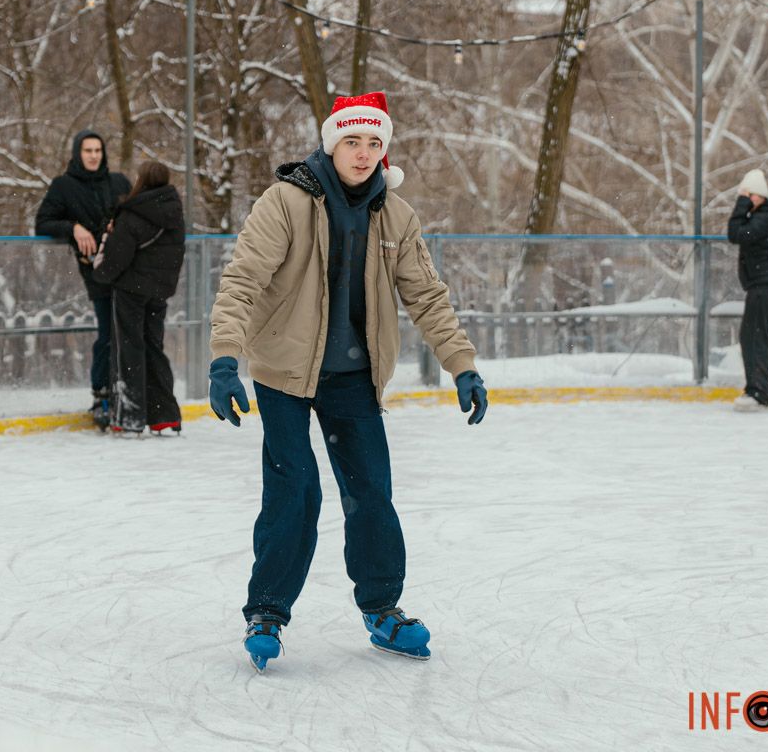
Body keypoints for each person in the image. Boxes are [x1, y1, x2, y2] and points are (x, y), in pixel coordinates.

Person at [207, 91, 489, 671]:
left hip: (354, 376)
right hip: (285, 370)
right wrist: (224, 359)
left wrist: (462, 364)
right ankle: (267, 611)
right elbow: (243, 280)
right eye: (353, 142)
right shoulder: (285, 202)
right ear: (332, 145)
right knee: (295, 491)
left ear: (385, 152)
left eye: (374, 144)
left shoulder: (396, 215)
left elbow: (426, 296)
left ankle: (383, 608)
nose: (363, 154)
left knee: (371, 494)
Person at [34, 131, 131, 421]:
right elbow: (43, 223)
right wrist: (74, 228)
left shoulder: (119, 182)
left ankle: (127, 390)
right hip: (96, 268)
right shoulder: (64, 186)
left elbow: (136, 215)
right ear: (78, 153)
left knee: (128, 331)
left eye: (97, 150)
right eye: (87, 150)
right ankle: (102, 391)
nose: (93, 155)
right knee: (108, 331)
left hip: (128, 266)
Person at [90, 161, 185, 433]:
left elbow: (117, 258)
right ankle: (164, 415)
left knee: (129, 349)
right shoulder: (173, 213)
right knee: (154, 347)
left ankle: (130, 417)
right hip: (159, 292)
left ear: (141, 180)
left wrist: (101, 274)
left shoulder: (133, 214)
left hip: (131, 290)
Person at [727, 169, 768, 411]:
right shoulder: (767, 217)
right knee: (755, 336)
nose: (742, 201)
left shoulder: (764, 218)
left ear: (756, 196)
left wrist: (741, 205)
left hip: (767, 287)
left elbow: (736, 234)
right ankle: (764, 386)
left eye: (746, 196)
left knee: (753, 337)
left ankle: (759, 390)